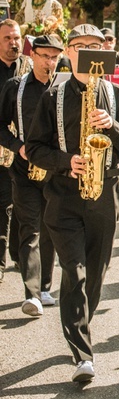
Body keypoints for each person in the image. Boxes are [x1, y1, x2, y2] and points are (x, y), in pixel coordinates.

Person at [25, 23, 119, 383]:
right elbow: (34, 148)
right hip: (64, 196)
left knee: (94, 274)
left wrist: (113, 128)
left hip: (105, 193)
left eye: (97, 46)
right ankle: (82, 354)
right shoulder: (53, 97)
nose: (90, 51)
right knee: (73, 272)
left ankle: (80, 324)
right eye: (81, 46)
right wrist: (66, 161)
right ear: (70, 53)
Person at [0, 35, 60, 316]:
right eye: (45, 56)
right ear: (32, 55)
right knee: (30, 229)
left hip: (56, 170)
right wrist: (17, 146)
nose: (50, 62)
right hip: (23, 170)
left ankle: (45, 286)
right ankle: (32, 294)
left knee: (49, 229)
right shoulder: (15, 87)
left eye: (54, 57)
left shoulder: (65, 87)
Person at [0, 19, 26, 278]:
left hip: (23, 150)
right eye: (7, 38)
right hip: (0, 147)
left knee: (21, 207)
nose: (13, 43)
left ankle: (19, 255)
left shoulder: (29, 67)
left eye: (16, 37)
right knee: (2, 206)